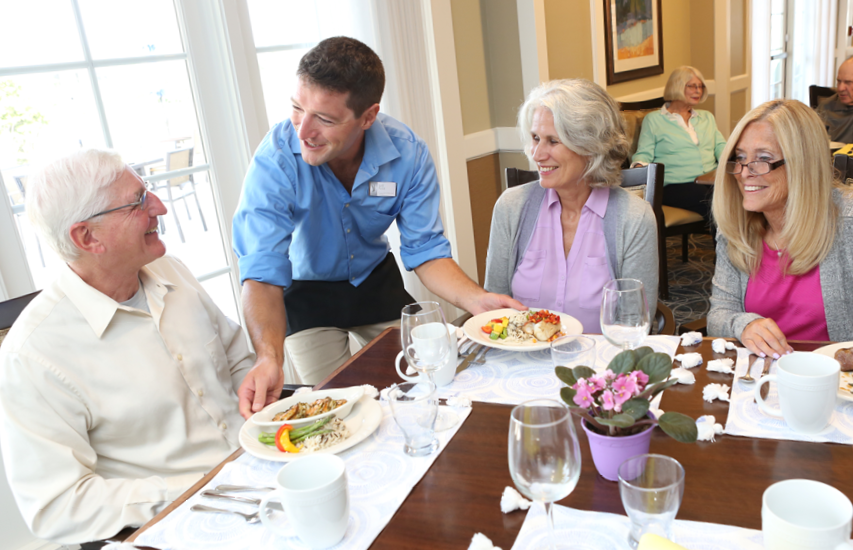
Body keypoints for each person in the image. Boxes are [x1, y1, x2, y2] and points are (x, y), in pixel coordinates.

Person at [232, 37, 520, 404]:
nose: (303, 131)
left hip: (374, 278)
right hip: (306, 293)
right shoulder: (275, 161)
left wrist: (477, 300)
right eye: (296, 108)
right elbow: (261, 270)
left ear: (368, 116)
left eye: (324, 118)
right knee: (339, 406)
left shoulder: (407, 153)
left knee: (433, 383)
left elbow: (426, 250)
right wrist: (268, 358)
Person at [0, 150, 255, 544]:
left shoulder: (171, 270)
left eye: (147, 190)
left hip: (263, 474)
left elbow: (238, 360)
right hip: (185, 522)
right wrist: (202, 486)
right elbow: (59, 506)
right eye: (138, 202)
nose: (160, 207)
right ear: (88, 237)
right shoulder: (33, 355)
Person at [708, 99, 853, 358]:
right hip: (762, 385)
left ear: (803, 164)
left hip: (844, 388)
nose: (744, 173)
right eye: (740, 158)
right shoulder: (737, 227)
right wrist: (744, 325)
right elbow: (719, 313)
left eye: (763, 159)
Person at [484, 79, 659, 333]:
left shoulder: (633, 217)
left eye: (553, 141)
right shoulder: (511, 208)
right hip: (523, 362)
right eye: (535, 138)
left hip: (597, 368)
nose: (537, 154)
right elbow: (495, 311)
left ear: (590, 147)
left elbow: (633, 325)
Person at [632, 66, 726, 227]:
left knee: (736, 196)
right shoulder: (654, 120)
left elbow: (721, 147)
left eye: (701, 86)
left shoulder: (707, 117)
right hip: (674, 186)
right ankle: (729, 251)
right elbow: (644, 153)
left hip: (709, 181)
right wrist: (639, 167)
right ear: (676, 86)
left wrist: (735, 161)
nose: (698, 91)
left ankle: (741, 249)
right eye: (692, 86)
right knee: (718, 204)